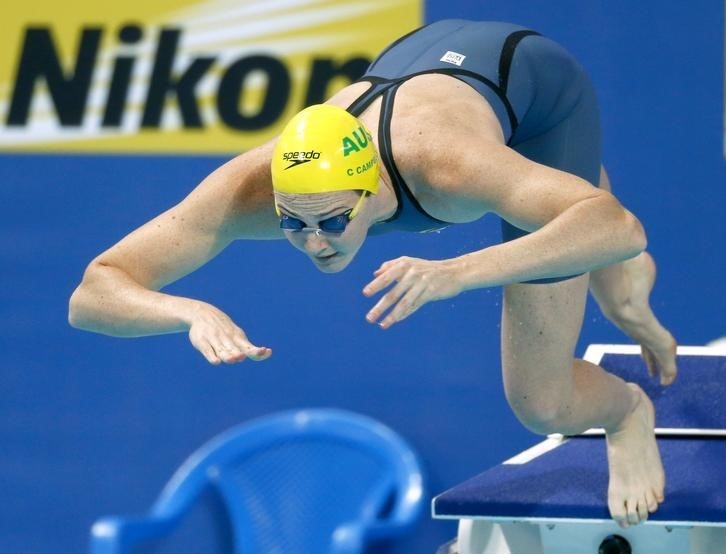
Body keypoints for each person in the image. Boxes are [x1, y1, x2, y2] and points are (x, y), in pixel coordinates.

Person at [68, 19, 678, 527]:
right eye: (291, 222)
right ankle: (612, 270)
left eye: (333, 222)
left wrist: (460, 272)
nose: (313, 244)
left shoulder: (445, 166)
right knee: (577, 231)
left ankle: (626, 412)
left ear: (373, 191)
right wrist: (187, 310)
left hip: (536, 92)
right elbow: (93, 291)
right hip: (423, 61)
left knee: (544, 401)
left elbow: (621, 226)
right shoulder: (248, 187)